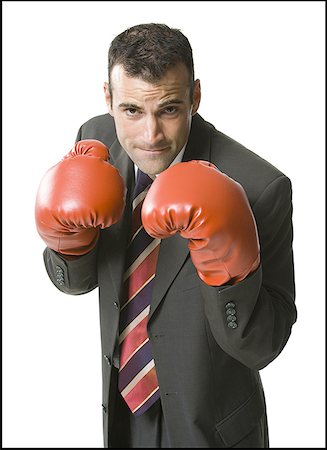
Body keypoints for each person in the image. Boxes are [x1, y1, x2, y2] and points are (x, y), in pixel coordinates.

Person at [35, 23, 296, 448]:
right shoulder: (95, 140)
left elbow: (262, 346)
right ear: (109, 98)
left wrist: (230, 272)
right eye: (132, 111)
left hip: (212, 428)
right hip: (121, 413)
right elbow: (76, 281)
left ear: (195, 96)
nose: (150, 136)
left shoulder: (258, 186)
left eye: (170, 109)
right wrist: (68, 243)